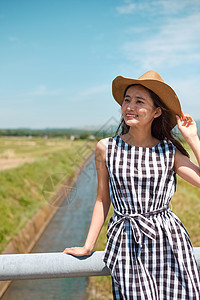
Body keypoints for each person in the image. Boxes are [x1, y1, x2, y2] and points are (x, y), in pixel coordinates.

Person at [63, 70, 200, 299]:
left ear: (157, 112)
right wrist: (89, 246)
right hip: (127, 241)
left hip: (168, 239)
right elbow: (102, 199)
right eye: (127, 100)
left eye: (139, 101)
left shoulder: (168, 152)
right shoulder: (106, 148)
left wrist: (192, 138)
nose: (130, 106)